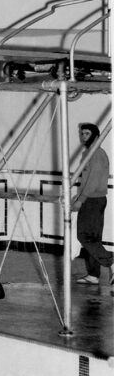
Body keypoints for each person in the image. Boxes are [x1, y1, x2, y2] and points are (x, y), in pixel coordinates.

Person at [73, 122, 112, 288]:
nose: (83, 137)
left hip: (92, 201)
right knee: (93, 238)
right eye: (82, 133)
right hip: (96, 199)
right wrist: (79, 196)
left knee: (84, 236)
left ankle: (110, 261)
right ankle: (93, 275)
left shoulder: (95, 154)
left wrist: (81, 199)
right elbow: (88, 181)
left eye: (87, 134)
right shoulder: (90, 153)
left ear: (96, 136)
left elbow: (93, 180)